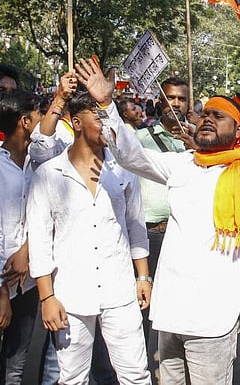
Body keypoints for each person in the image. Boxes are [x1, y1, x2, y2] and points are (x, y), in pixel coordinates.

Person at [74, 57, 240, 383]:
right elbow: (129, 154)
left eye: (219, 116)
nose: (208, 120)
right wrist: (106, 104)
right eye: (206, 114)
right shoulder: (182, 165)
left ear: (239, 129)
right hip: (171, 311)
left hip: (213, 318)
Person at [26, 90, 152, 384]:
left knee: (135, 375)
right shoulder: (49, 174)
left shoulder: (124, 170)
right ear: (76, 122)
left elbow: (135, 225)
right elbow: (41, 240)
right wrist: (47, 296)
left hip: (120, 290)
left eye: (109, 117)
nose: (106, 125)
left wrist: (143, 277)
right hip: (71, 294)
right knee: (72, 378)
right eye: (98, 117)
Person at [131, 78, 192, 383]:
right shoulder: (139, 138)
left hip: (184, 236)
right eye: (171, 98)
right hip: (150, 234)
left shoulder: (196, 140)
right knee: (146, 305)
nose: (176, 104)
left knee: (179, 306)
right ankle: (142, 369)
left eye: (182, 98)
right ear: (159, 100)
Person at [0, 90, 43, 382]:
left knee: (16, 362)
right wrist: (1, 290)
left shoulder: (39, 165)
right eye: (40, 114)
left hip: (26, 284)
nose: (45, 121)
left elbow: (44, 219)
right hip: (3, 284)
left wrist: (26, 252)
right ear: (25, 122)